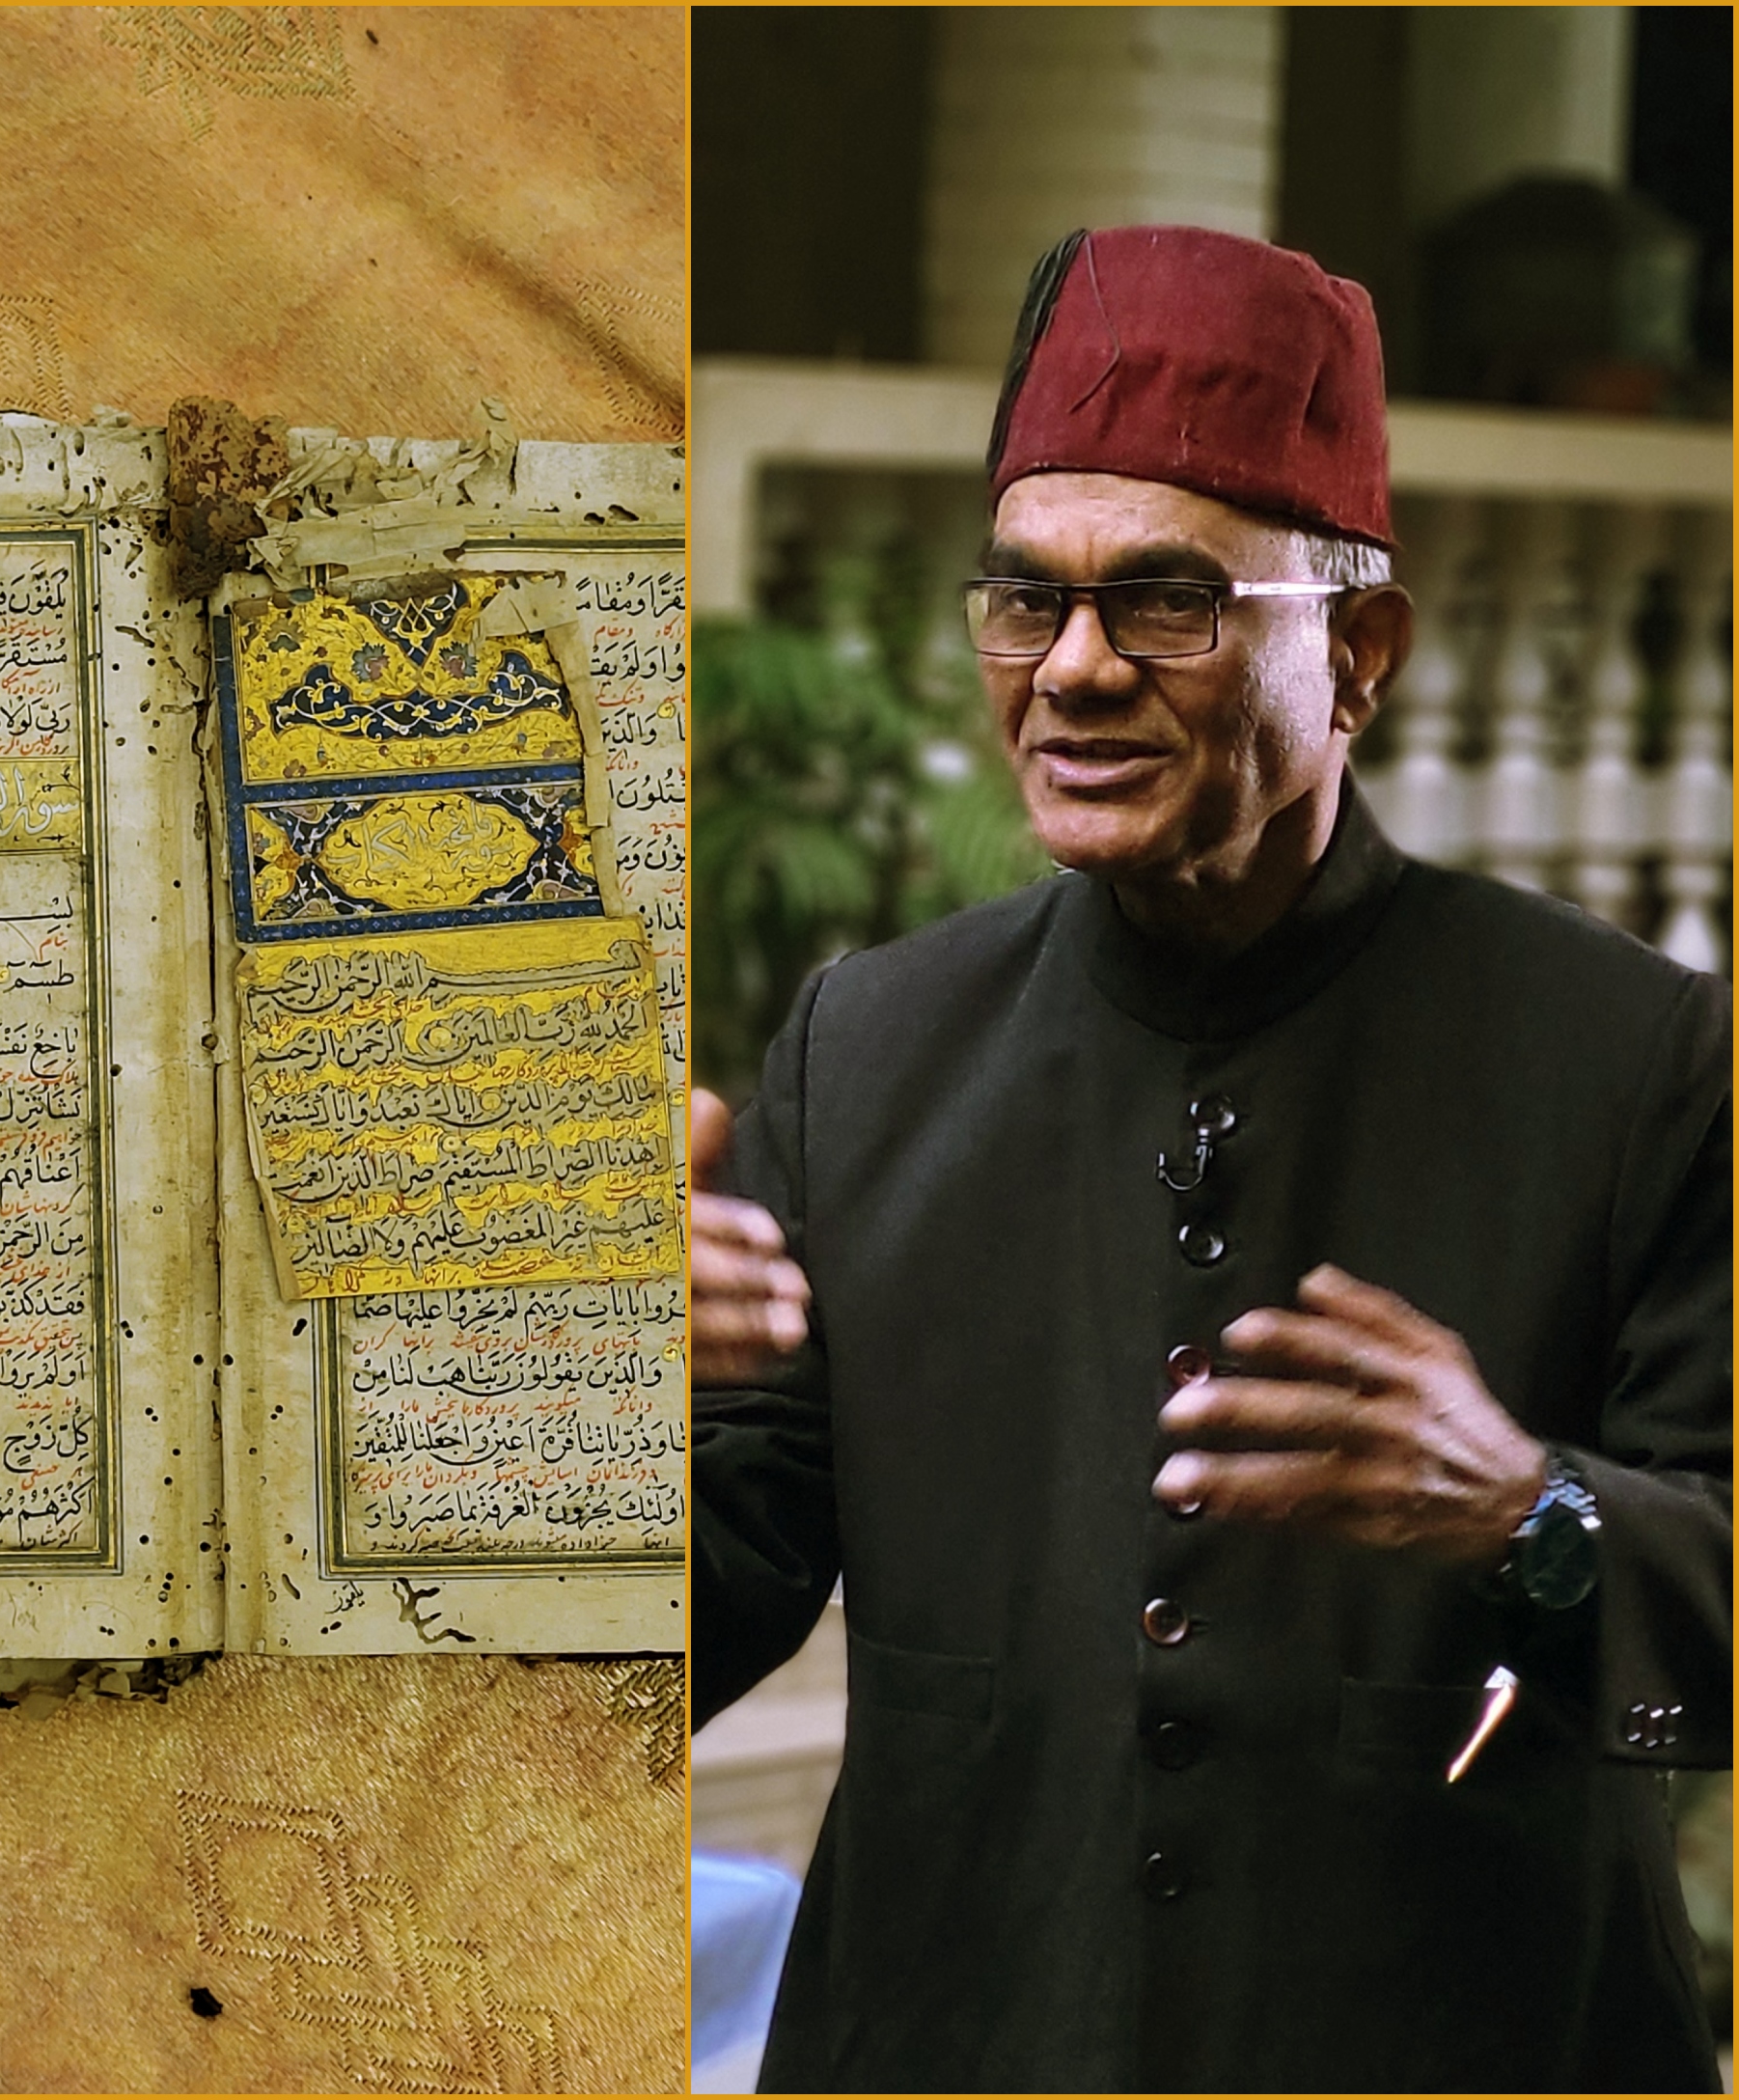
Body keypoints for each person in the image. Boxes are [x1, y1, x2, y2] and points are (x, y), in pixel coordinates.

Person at [690, 224, 1730, 2092]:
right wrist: (555, 1400)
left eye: (1168, 601)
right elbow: (705, 1583)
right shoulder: (868, 1049)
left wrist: (1530, 1512)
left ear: (1363, 654)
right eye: (1025, 599)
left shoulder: (1640, 1058)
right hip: (955, 2031)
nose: (1074, 666)